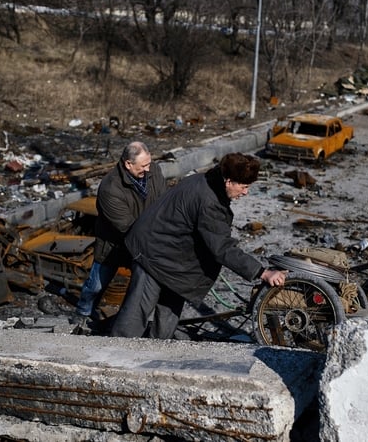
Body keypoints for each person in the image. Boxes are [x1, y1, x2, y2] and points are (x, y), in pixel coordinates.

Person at [110, 152, 287, 339]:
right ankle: (116, 352)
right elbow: (222, 247)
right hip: (152, 252)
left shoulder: (204, 180)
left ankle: (156, 350)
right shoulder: (209, 202)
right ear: (228, 182)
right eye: (243, 187)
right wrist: (262, 272)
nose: (246, 192)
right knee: (136, 313)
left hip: (173, 259)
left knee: (169, 312)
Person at [73, 141, 167, 328]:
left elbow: (164, 202)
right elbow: (128, 227)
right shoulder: (110, 188)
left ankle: (134, 319)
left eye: (149, 164)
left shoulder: (153, 170)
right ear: (128, 164)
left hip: (144, 240)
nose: (149, 169)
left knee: (142, 285)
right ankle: (83, 312)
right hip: (114, 244)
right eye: (143, 166)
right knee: (97, 285)